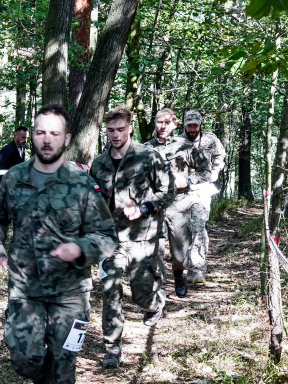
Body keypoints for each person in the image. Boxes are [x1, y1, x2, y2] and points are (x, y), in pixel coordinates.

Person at [0, 105, 117, 384]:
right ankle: (40, 378)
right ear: (32, 133)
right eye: (41, 132)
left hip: (71, 290)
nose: (46, 139)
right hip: (25, 286)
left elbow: (107, 236)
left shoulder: (82, 183)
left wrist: (80, 248)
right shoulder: (14, 178)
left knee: (65, 355)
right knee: (27, 358)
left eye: (54, 133)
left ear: (66, 139)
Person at [90, 107, 176, 367]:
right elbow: (93, 199)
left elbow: (168, 190)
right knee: (110, 287)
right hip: (111, 240)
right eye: (110, 130)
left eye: (120, 129)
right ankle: (112, 349)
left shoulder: (148, 156)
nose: (115, 135)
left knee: (142, 296)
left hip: (143, 238)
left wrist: (144, 207)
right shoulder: (99, 163)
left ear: (130, 128)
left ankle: (156, 303)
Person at [147, 108, 210, 298]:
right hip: (155, 206)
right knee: (155, 250)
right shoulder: (145, 148)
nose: (163, 126)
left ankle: (178, 274)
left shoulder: (184, 146)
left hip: (179, 206)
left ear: (175, 123)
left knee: (180, 252)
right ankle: (158, 291)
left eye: (167, 122)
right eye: (159, 122)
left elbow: (205, 169)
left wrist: (190, 181)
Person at [181, 109, 226, 284]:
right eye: (189, 126)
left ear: (200, 125)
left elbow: (220, 155)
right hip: (182, 191)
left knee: (198, 227)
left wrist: (215, 170)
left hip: (202, 189)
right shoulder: (177, 141)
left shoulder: (210, 139)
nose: (192, 129)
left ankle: (198, 269)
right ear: (184, 125)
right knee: (182, 230)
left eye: (195, 125)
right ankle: (184, 265)